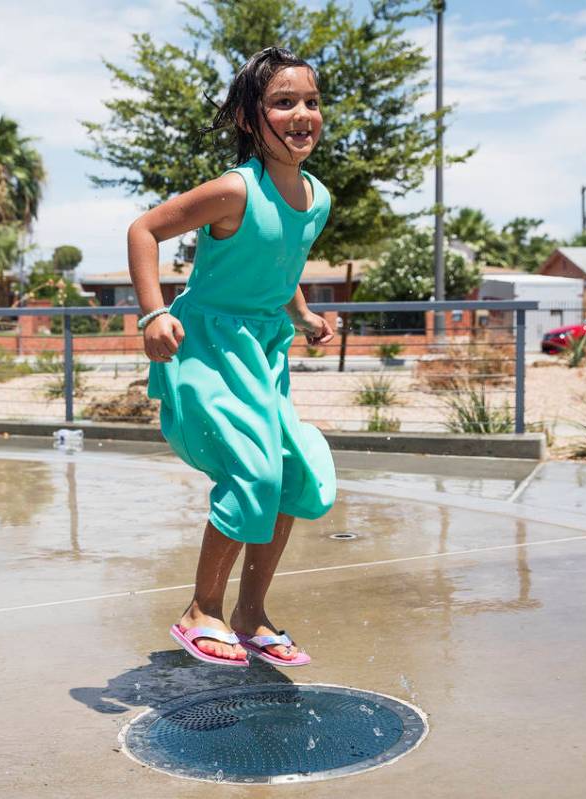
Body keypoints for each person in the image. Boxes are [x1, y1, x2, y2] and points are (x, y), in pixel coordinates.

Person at [127, 47, 336, 667]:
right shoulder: (232, 189)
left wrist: (303, 316)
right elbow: (144, 230)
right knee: (255, 472)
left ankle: (250, 616)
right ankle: (201, 610)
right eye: (283, 102)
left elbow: (279, 263)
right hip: (206, 349)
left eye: (312, 101)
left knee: (297, 473)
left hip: (261, 353)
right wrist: (152, 312)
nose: (302, 113)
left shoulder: (316, 198)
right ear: (251, 117)